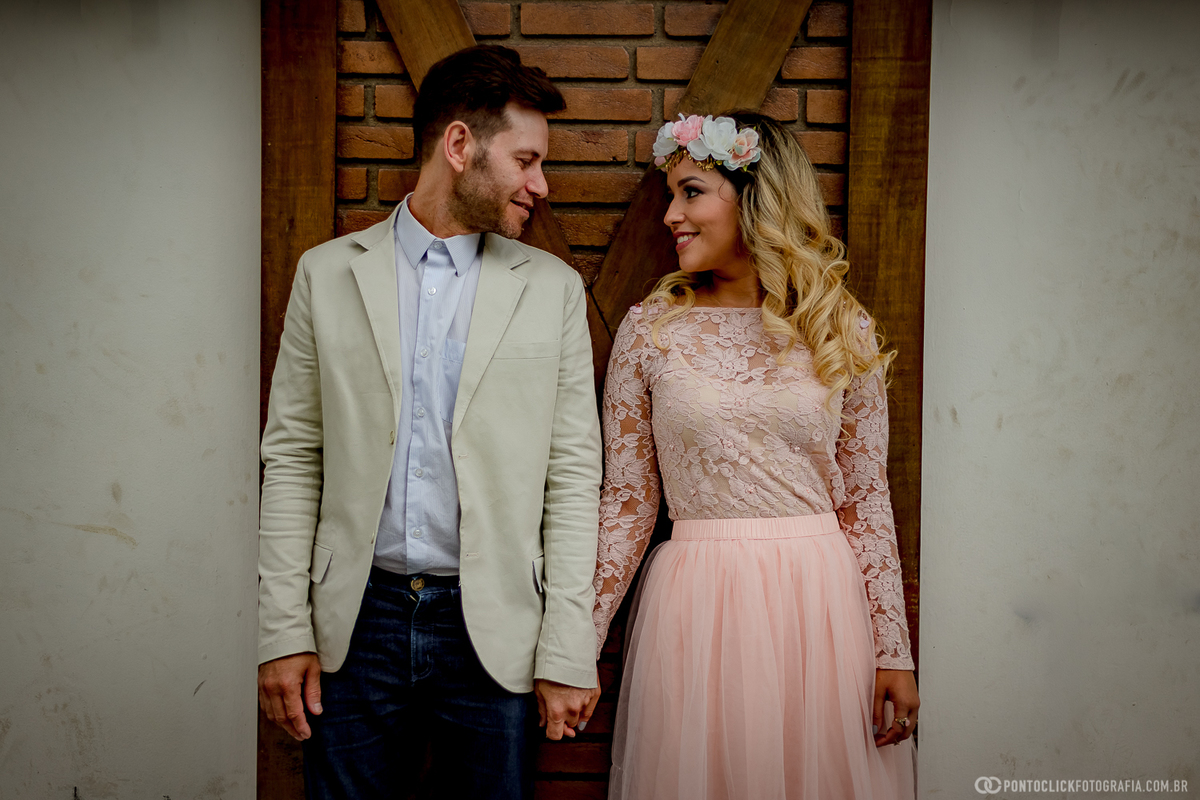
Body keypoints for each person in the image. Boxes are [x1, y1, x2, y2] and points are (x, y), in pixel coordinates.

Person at [256, 45, 603, 799]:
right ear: (459, 146)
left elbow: (575, 478)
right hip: (355, 625)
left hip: (495, 629)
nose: (539, 185)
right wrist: (283, 631)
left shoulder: (554, 291)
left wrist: (568, 646)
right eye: (526, 160)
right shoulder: (327, 273)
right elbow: (293, 458)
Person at [591, 112, 920, 799]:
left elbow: (864, 499)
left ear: (755, 199)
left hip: (819, 605)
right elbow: (626, 503)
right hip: (694, 602)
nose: (671, 218)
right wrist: (578, 643)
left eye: (691, 193)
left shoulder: (839, 327)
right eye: (670, 198)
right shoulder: (652, 329)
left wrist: (893, 650)